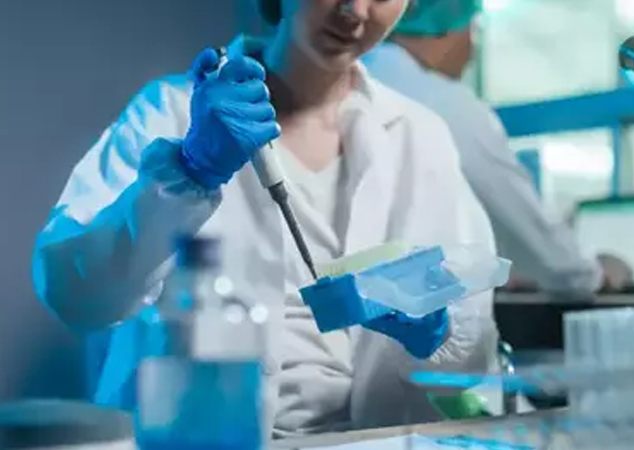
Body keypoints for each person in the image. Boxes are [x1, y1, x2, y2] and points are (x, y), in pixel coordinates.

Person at [32, 0, 499, 437]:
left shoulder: (421, 137)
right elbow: (75, 295)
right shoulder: (170, 110)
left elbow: (473, 357)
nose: (355, 10)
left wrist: (438, 332)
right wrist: (191, 170)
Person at [362, 0, 633, 294]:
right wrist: (591, 276)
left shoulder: (359, 76)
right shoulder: (444, 103)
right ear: (445, 28)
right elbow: (522, 223)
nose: (472, 52)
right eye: (472, 30)